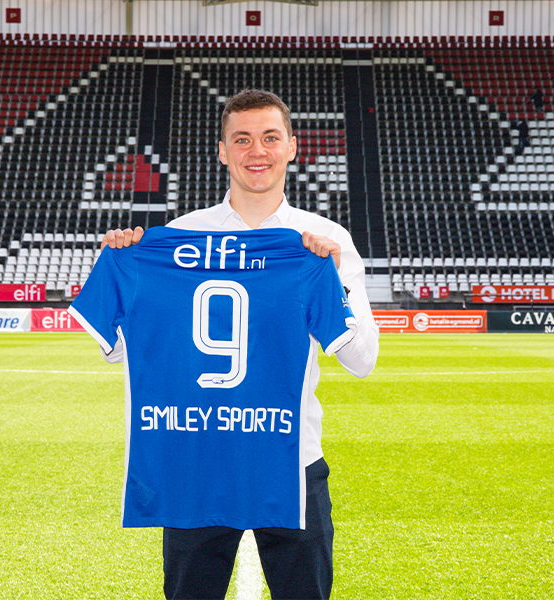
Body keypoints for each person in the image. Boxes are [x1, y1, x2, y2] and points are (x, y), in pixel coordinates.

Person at [99, 89, 379, 600]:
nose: (257, 151)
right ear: (223, 151)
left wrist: (333, 279)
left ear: (292, 146)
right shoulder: (179, 235)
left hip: (292, 460)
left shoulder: (324, 239)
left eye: (270, 137)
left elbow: (362, 361)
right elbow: (122, 348)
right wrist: (123, 265)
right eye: (242, 139)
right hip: (198, 458)